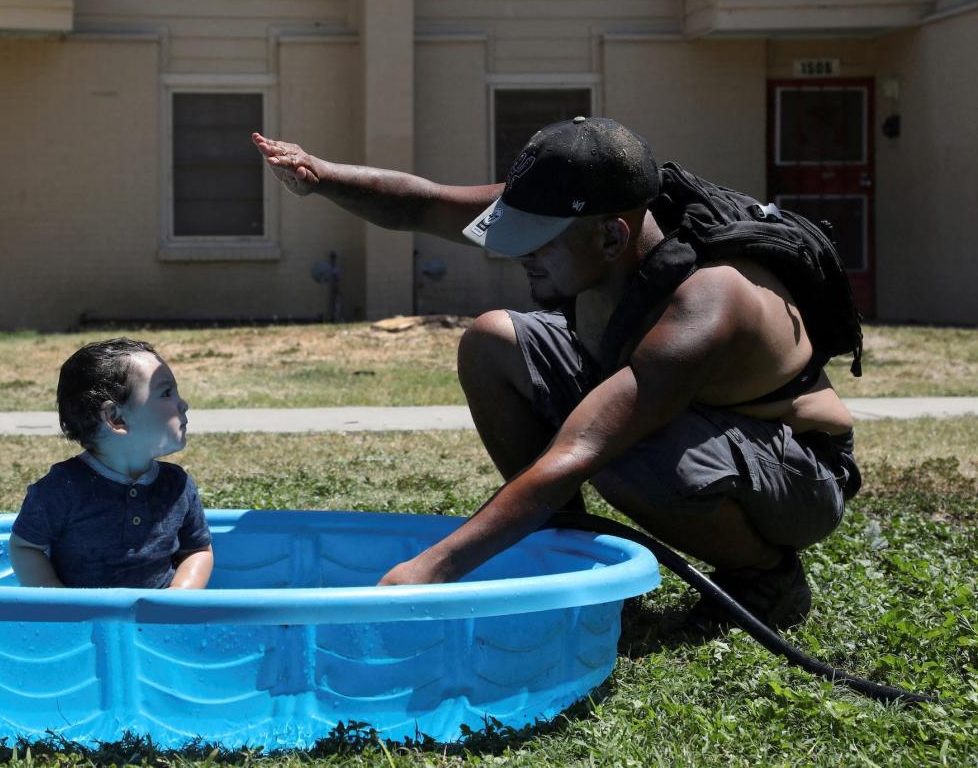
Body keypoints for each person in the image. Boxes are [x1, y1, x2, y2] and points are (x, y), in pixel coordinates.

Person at [252, 118, 860, 629]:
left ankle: (765, 582)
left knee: (619, 446)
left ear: (612, 236)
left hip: (795, 475)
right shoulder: (591, 220)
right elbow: (424, 203)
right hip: (693, 428)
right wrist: (323, 176)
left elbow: (585, 446)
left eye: (538, 243)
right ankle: (566, 552)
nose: (520, 255)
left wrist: (426, 572)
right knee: (492, 340)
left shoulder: (708, 302)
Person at [9, 338, 213, 589]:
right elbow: (25, 547)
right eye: (166, 393)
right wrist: (61, 605)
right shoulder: (63, 488)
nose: (183, 404)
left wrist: (179, 597)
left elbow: (199, 550)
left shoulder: (176, 485)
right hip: (86, 624)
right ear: (116, 418)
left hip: (155, 625)